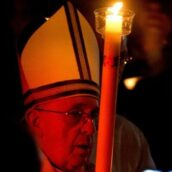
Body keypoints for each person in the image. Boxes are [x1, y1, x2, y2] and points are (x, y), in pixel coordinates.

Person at [15, 0, 156, 171]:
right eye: (75, 113)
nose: (91, 128)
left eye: (94, 114)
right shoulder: (21, 147)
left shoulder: (126, 138)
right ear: (36, 122)